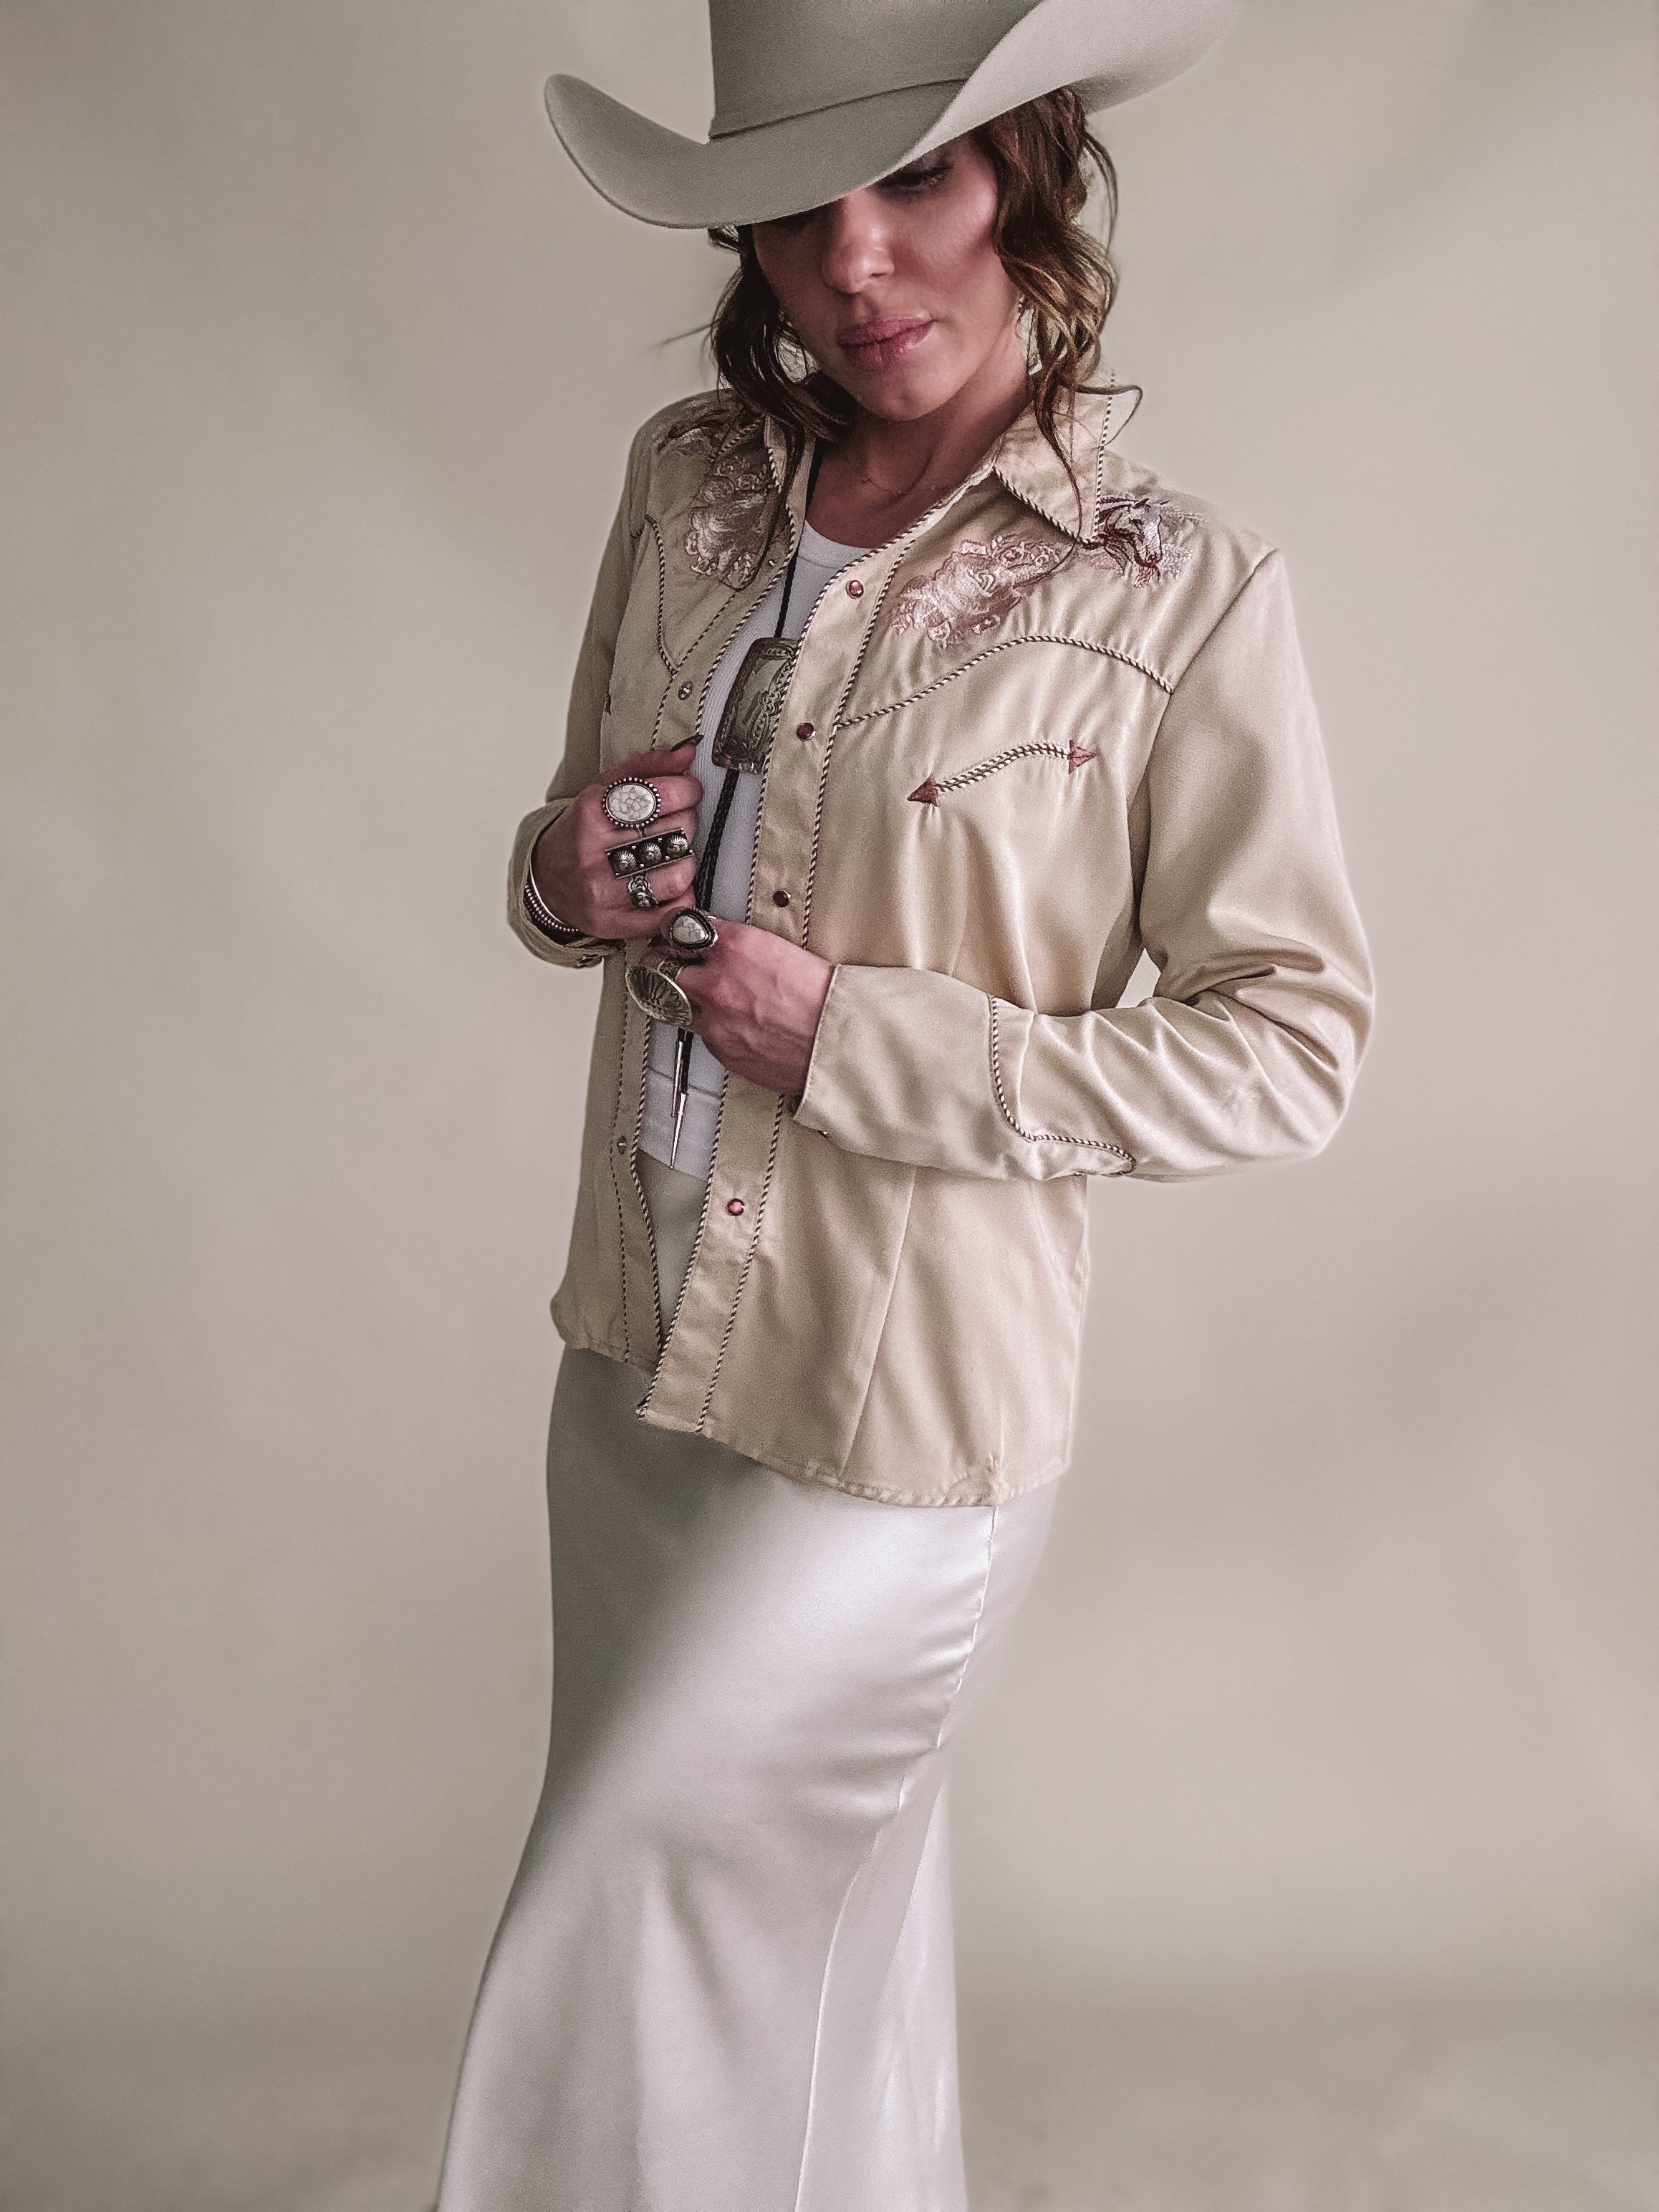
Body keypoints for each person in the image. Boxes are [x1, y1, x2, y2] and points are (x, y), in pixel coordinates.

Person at [433, 3, 1372, 2206]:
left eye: (918, 183)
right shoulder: (689, 481)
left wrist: (859, 1040)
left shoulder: (1173, 592)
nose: (850, 262)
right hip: (635, 1362)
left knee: (642, 1900)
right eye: (789, 206)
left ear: (1030, 170)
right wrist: (566, 875)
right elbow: (570, 835)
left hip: (890, 1411)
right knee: (810, 1947)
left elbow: (1291, 1042)